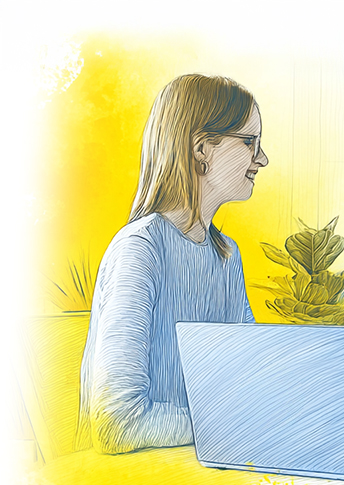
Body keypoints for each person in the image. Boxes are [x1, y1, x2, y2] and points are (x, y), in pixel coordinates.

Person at [75, 74, 269, 454]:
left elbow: (251, 380)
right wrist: (228, 422)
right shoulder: (140, 249)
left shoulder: (226, 256)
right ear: (201, 150)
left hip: (197, 467)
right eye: (250, 142)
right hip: (132, 482)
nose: (261, 159)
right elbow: (117, 421)